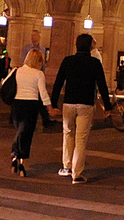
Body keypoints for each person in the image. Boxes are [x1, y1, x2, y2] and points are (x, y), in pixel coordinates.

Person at [51, 33, 113, 183]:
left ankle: (66, 166)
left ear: (76, 45)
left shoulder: (68, 61)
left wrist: (53, 104)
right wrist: (107, 106)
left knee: (68, 134)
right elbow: (102, 86)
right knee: (81, 139)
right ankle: (76, 174)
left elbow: (58, 83)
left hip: (69, 103)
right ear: (90, 46)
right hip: (86, 104)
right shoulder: (94, 63)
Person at [7, 48, 57, 177]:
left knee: (20, 131)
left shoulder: (17, 70)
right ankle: (21, 162)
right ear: (39, 61)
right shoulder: (38, 74)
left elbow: (4, 83)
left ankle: (14, 156)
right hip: (31, 105)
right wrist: (49, 108)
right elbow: (43, 93)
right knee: (26, 134)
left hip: (17, 104)